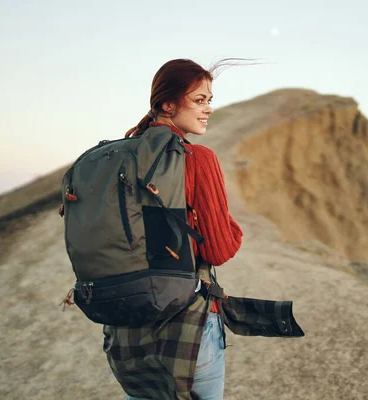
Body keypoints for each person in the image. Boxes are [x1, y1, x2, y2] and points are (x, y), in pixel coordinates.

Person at [102, 59, 304, 400]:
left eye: (209, 100)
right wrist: (227, 224)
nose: (208, 109)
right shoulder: (197, 158)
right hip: (187, 326)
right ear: (168, 104)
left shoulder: (113, 158)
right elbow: (219, 249)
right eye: (199, 101)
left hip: (124, 328)